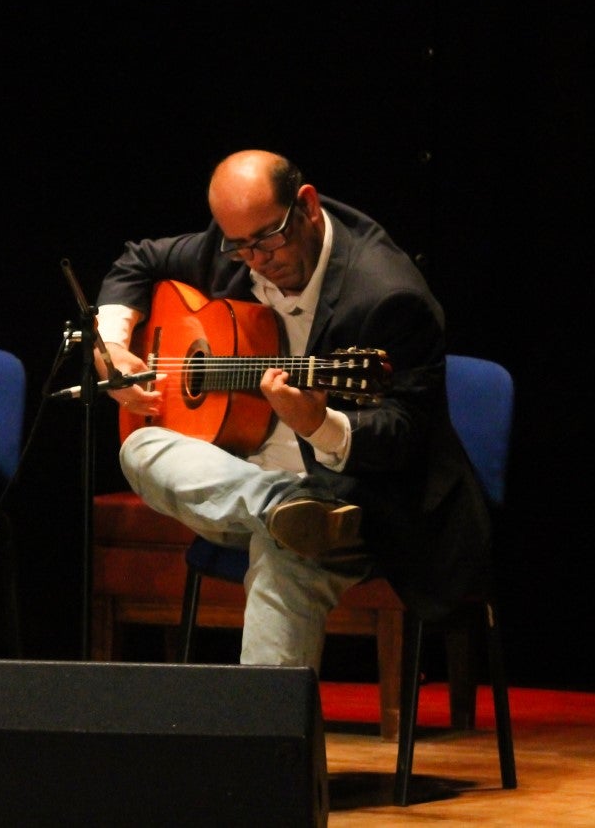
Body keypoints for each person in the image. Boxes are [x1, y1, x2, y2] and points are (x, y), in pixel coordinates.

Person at [94, 149, 490, 672]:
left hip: (360, 502)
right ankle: (284, 507)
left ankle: (265, 752)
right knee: (141, 447)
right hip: (249, 488)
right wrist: (113, 348)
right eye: (239, 248)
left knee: (285, 556)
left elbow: (405, 432)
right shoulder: (232, 244)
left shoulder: (387, 295)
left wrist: (320, 424)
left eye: (267, 240)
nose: (255, 259)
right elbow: (137, 259)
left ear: (306, 207)